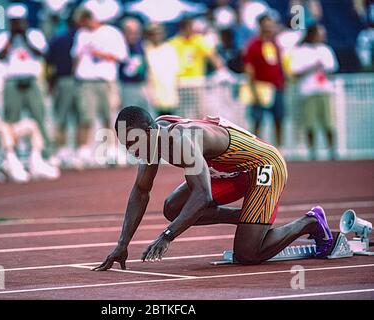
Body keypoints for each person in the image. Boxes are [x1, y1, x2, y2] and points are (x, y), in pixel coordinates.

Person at [93, 106, 334, 270]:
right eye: (125, 145)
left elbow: (202, 196)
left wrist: (167, 236)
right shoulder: (151, 139)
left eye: (132, 143)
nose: (130, 150)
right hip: (229, 171)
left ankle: (310, 221)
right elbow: (141, 191)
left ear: (147, 132)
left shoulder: (181, 140)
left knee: (248, 254)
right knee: (173, 208)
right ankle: (248, 218)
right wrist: (122, 244)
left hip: (263, 164)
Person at [70, 8, 128, 165]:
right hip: (85, 81)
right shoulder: (81, 34)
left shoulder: (111, 33)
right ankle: (83, 152)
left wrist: (101, 54)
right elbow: (76, 56)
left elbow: (122, 56)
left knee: (109, 116)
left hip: (106, 80)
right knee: (85, 116)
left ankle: (112, 150)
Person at [0, 3, 51, 157]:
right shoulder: (3, 37)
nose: (18, 25)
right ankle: (14, 153)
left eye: (20, 21)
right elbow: (0, 56)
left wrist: (25, 37)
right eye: (14, 22)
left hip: (32, 81)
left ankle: (45, 153)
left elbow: (41, 53)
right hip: (12, 82)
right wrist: (12, 37)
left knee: (39, 116)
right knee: (12, 118)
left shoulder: (34, 35)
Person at [290, 24, 339, 160]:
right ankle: (312, 151)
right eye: (319, 33)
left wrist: (322, 67)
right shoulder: (300, 50)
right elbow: (295, 71)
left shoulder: (326, 50)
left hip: (324, 89)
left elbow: (333, 68)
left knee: (328, 122)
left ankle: (332, 150)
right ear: (312, 34)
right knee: (309, 123)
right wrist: (312, 66)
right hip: (308, 91)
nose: (322, 36)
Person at [169, 17, 227, 118]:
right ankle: (184, 133)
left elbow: (213, 56)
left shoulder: (198, 40)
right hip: (180, 83)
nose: (191, 30)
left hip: (197, 82)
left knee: (200, 112)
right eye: (188, 27)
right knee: (182, 114)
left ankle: (201, 132)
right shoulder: (174, 42)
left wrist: (222, 71)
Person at [46, 9, 81, 169]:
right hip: (79, 81)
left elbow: (49, 64)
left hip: (62, 80)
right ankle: (78, 152)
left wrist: (50, 84)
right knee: (79, 118)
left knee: (61, 118)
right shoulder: (81, 37)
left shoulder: (56, 39)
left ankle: (61, 151)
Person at [243, 14, 285, 146]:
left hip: (277, 87)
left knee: (278, 119)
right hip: (260, 87)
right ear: (260, 25)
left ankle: (278, 148)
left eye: (271, 24)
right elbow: (249, 69)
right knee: (257, 120)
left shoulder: (275, 44)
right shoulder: (253, 45)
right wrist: (254, 90)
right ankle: (256, 149)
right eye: (267, 24)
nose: (269, 27)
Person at [145, 23, 180, 117]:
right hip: (152, 95)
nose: (156, 36)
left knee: (171, 124)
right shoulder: (145, 49)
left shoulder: (169, 48)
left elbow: (176, 71)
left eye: (159, 33)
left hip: (169, 94)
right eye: (153, 33)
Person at [119, 17, 150, 112]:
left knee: (145, 114)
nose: (134, 35)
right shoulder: (119, 46)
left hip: (142, 85)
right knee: (125, 114)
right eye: (130, 32)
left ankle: (144, 128)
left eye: (136, 32)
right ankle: (121, 128)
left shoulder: (142, 45)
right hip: (125, 86)